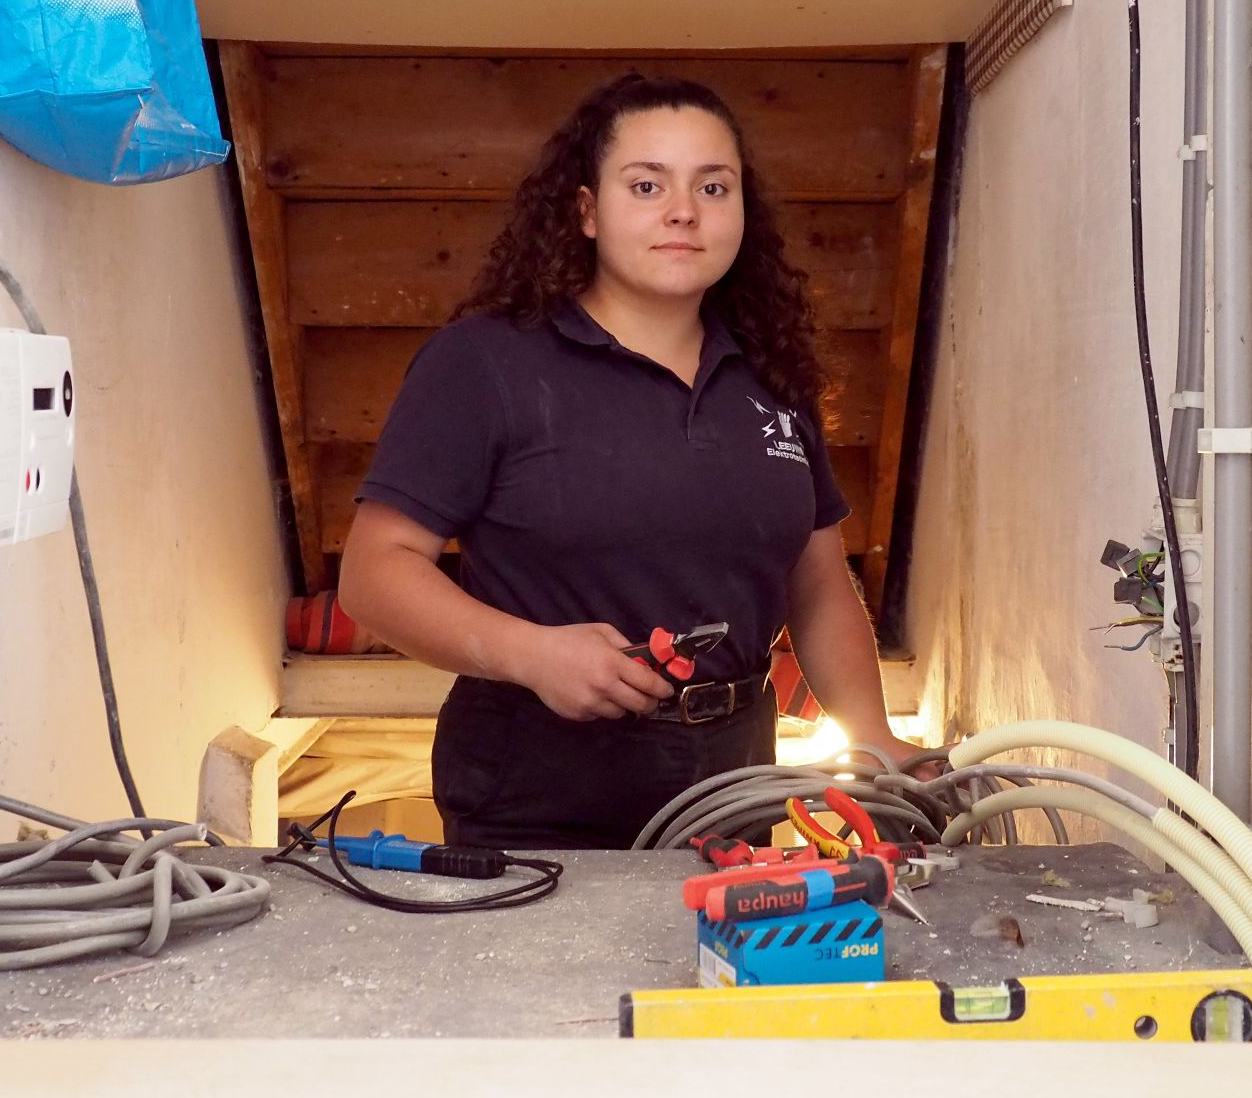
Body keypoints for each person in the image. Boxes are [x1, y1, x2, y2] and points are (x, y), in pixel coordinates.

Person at [336, 73, 919, 850]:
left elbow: (817, 581)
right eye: (647, 185)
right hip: (537, 791)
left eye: (713, 187)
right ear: (586, 211)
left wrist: (872, 735)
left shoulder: (772, 374)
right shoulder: (484, 363)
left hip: (731, 786)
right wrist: (533, 654)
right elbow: (373, 574)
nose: (684, 210)